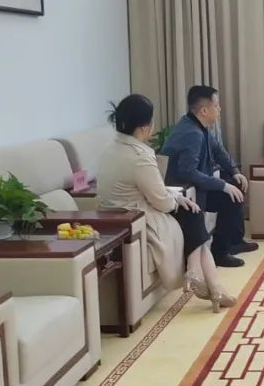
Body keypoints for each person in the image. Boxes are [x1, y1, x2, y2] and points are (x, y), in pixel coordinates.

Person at [99, 94, 235, 312]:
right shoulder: (140, 156)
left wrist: (177, 198)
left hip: (120, 213)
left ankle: (204, 278)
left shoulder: (110, 149)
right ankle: (211, 284)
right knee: (192, 212)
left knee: (190, 211)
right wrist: (177, 200)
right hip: (136, 218)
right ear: (145, 127)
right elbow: (162, 202)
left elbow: (149, 189)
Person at [160, 85, 256, 267]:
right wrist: (222, 185)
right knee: (230, 197)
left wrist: (235, 171)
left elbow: (218, 151)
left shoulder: (197, 126)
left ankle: (234, 241)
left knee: (235, 186)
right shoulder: (192, 133)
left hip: (197, 185)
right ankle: (219, 252)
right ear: (204, 111)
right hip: (186, 193)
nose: (219, 109)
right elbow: (187, 172)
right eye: (216, 105)